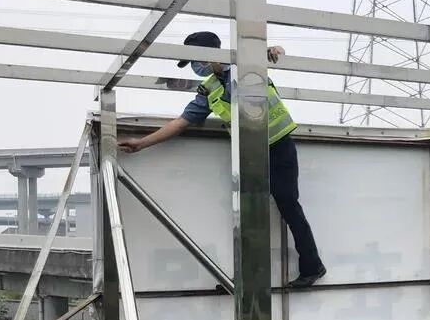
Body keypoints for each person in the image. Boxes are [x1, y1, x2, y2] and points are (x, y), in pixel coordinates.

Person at [119, 31, 327, 288]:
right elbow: (181, 122)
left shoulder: (245, 65)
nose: (195, 67)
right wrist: (141, 143)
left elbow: (276, 51)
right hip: (251, 154)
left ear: (210, 54)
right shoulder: (209, 89)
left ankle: (312, 266)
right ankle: (247, 279)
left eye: (195, 60)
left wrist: (275, 49)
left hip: (279, 146)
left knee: (288, 205)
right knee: (250, 215)